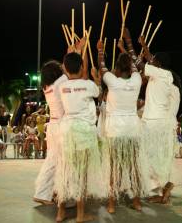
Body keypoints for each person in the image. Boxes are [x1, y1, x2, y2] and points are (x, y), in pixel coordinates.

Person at [124, 29, 175, 204]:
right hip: (158, 122)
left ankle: (164, 186)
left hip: (154, 123)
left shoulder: (161, 74)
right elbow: (145, 60)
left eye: (154, 60)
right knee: (155, 156)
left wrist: (131, 43)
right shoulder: (163, 76)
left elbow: (139, 63)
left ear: (158, 64)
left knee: (147, 156)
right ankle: (162, 189)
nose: (151, 60)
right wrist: (143, 45)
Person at [53, 51, 103, 222]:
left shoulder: (61, 87)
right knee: (81, 173)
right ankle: (80, 215)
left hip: (66, 131)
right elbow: (98, 93)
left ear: (65, 69)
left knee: (64, 170)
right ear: (82, 67)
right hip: (84, 132)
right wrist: (96, 78)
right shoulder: (88, 84)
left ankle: (61, 212)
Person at [97, 39, 144, 213]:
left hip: (115, 130)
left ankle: (111, 204)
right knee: (133, 167)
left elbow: (102, 67)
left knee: (114, 167)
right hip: (132, 129)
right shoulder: (137, 80)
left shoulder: (112, 80)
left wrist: (100, 50)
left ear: (117, 69)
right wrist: (129, 47)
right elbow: (135, 66)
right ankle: (137, 202)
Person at [33, 59, 69, 205]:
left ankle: (54, 192)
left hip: (53, 125)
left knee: (56, 160)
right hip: (59, 125)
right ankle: (42, 193)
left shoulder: (47, 87)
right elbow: (69, 72)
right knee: (55, 160)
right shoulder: (60, 83)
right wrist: (75, 53)